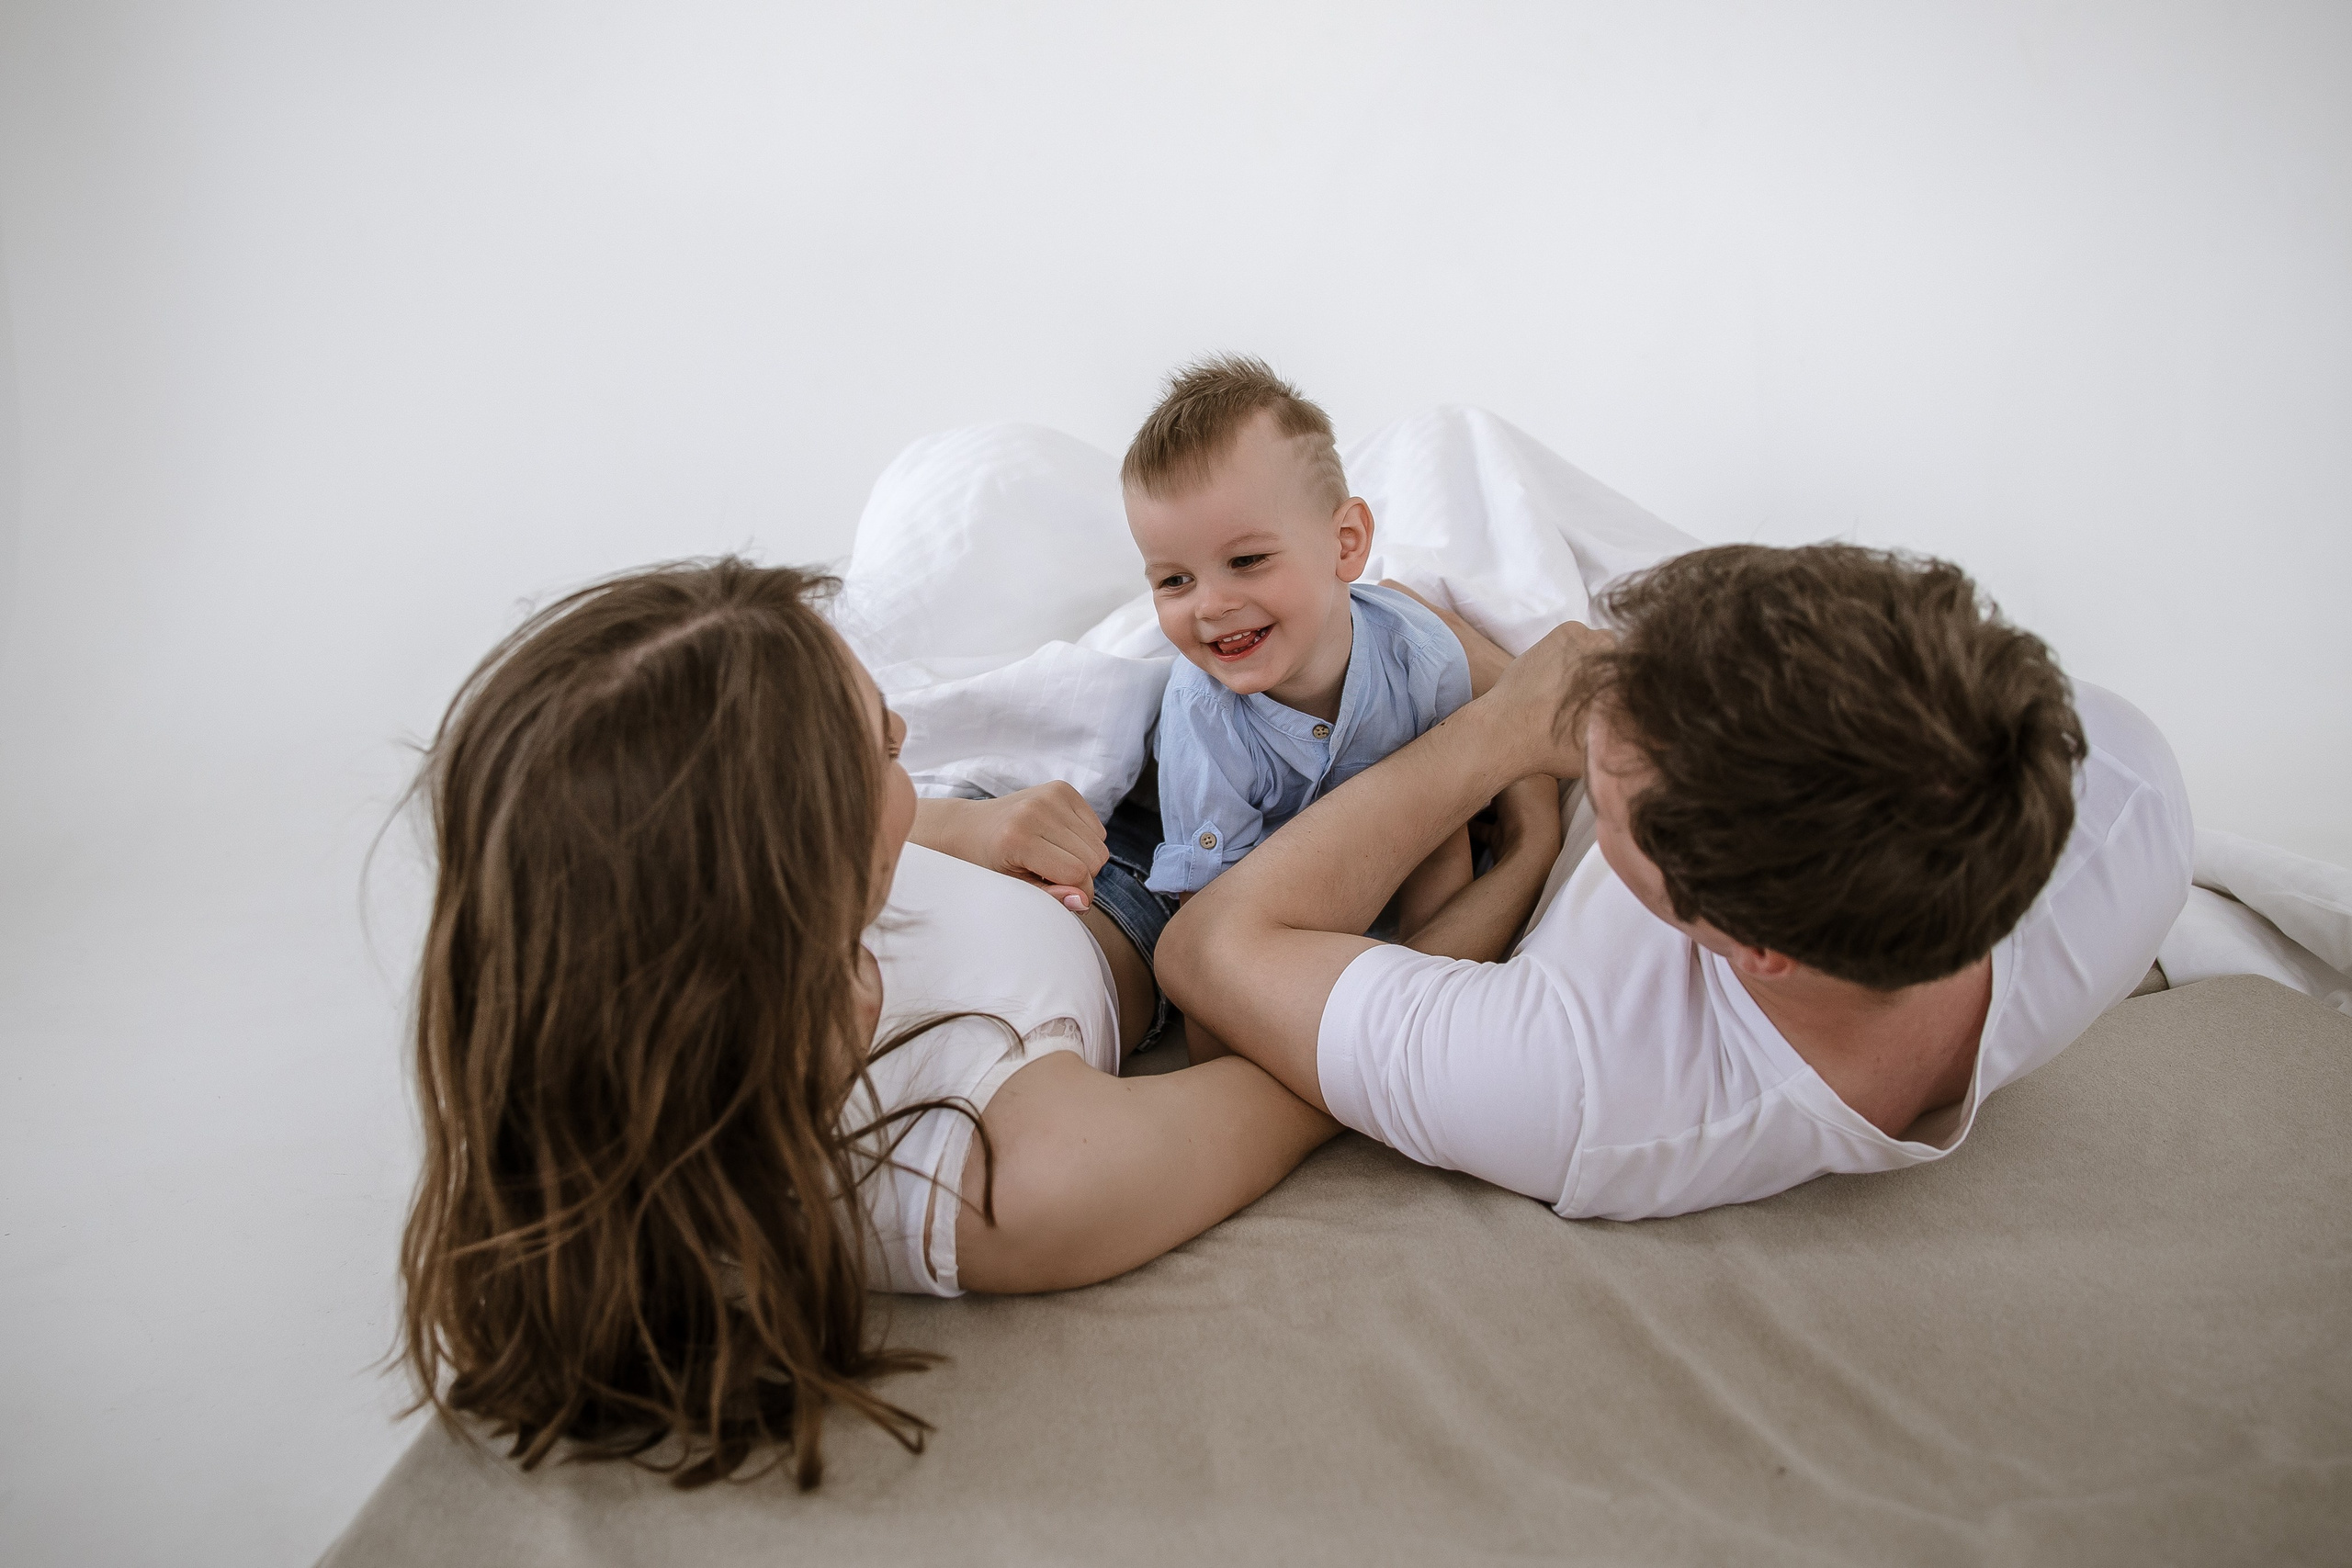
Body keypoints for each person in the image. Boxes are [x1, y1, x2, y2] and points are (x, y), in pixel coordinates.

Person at [395, 557, 1561, 1488]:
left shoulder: (603, 967)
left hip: (1020, 829)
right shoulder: (1003, 1172)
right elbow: (1330, 1050)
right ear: (801, 902)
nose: (907, 746)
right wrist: (1516, 825)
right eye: (887, 748)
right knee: (1387, 663)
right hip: (1162, 893)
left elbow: (877, 849)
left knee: (1350, 606)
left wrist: (959, 827)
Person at [1158, 543, 2195, 1221]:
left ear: (1748, 947)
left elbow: (1209, 948)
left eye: (1610, 795)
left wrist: (1499, 742)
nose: (1584, 685)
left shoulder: (1586, 1091)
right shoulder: (2124, 787)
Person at [1125, 357, 1475, 939]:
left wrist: (1434, 967)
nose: (1210, 606)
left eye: (1246, 561)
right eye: (1174, 581)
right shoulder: (1204, 715)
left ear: (1346, 543)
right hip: (1269, 909)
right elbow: (1214, 931)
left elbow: (1443, 833)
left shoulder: (1421, 660)